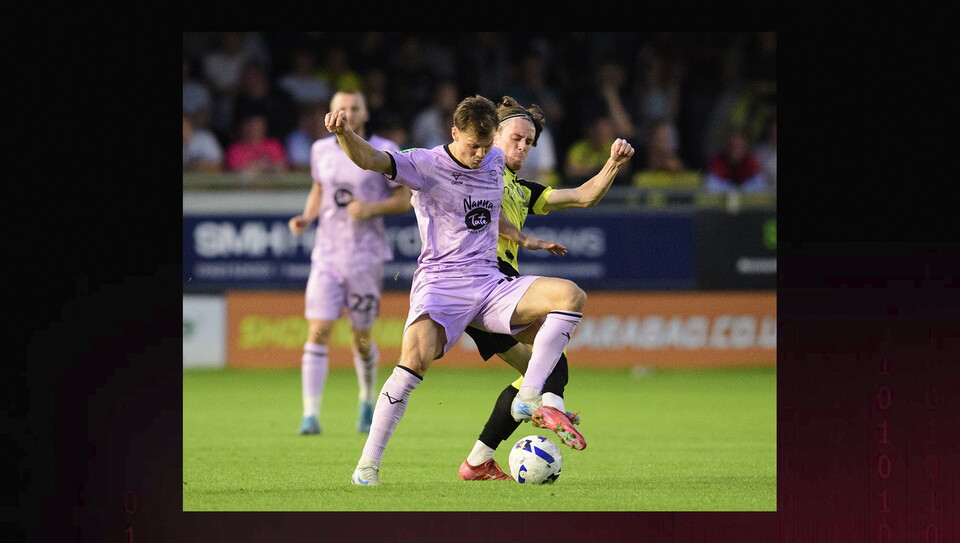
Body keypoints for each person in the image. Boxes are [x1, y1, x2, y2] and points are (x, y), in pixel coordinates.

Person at [325, 95, 587, 486]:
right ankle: (366, 468)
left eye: (486, 146)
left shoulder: (496, 160)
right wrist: (345, 135)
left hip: (489, 283)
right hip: (440, 286)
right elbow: (372, 159)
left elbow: (494, 211)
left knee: (571, 296)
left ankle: (530, 397)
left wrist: (523, 238)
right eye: (472, 146)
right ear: (453, 134)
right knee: (412, 363)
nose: (480, 155)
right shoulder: (424, 163)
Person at [458, 96, 635, 481]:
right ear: (493, 135)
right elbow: (486, 211)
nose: (523, 147)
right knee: (566, 305)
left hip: (490, 289)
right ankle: (544, 404)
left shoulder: (522, 189)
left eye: (530, 142)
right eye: (516, 138)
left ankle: (477, 461)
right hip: (480, 280)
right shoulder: (475, 169)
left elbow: (583, 196)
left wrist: (612, 165)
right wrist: (525, 238)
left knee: (549, 358)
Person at [288, 90, 413, 436]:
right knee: (319, 330)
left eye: (354, 107)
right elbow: (318, 188)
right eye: (340, 107)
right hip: (326, 256)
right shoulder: (320, 150)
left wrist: (370, 208)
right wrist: (307, 216)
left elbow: (404, 198)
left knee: (360, 337)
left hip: (366, 257)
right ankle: (310, 414)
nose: (347, 112)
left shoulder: (384, 149)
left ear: (365, 112)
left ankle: (366, 401)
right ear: (331, 114)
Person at [704, 128, 765, 193]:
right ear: (725, 146)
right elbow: (711, 187)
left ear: (746, 147)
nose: (734, 151)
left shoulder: (752, 163)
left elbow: (759, 189)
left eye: (738, 146)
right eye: (731, 146)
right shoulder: (716, 162)